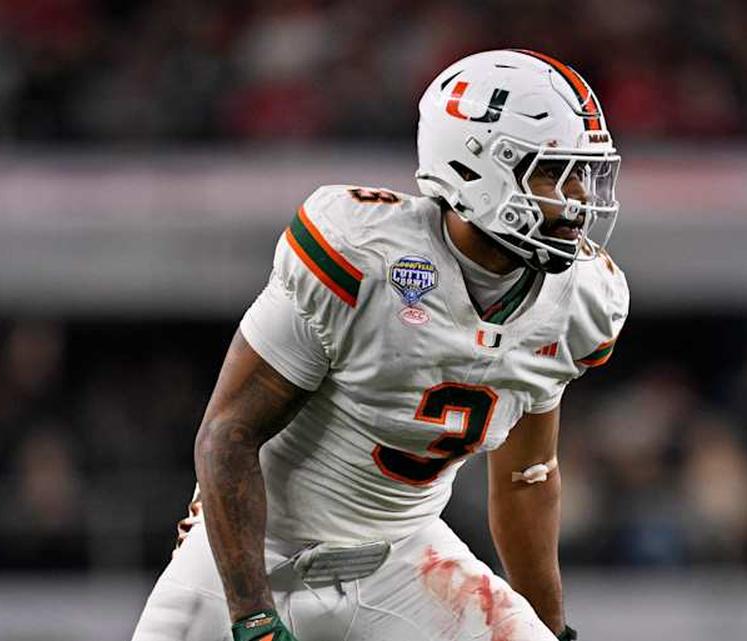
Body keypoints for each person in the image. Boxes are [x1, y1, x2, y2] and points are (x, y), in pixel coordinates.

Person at [131, 49, 628, 641]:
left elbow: (528, 475)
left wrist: (549, 627)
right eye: (552, 172)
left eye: (583, 173)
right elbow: (229, 434)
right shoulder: (363, 254)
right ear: (475, 168)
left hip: (403, 557)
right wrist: (253, 618)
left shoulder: (578, 300)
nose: (576, 200)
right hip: (254, 554)